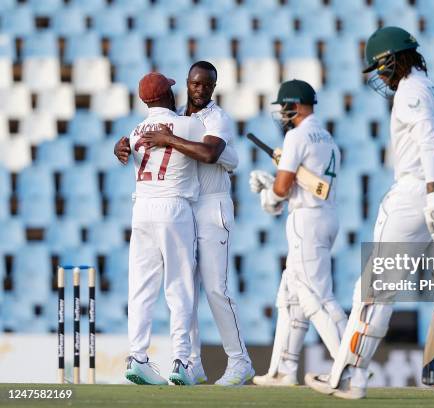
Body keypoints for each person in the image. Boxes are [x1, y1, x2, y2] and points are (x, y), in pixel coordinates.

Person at [305, 27, 434, 400]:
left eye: (381, 67)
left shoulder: (410, 91)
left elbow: (430, 139)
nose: (380, 77)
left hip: (418, 192)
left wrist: (432, 196)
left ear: (394, 59)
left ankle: (351, 378)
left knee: (373, 291)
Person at [138, 61, 254, 386]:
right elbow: (150, 146)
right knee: (184, 288)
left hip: (213, 208)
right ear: (187, 84)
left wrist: (170, 140)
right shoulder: (175, 118)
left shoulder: (217, 117)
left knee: (217, 288)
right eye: (195, 84)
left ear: (214, 87)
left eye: (207, 85)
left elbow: (208, 154)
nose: (200, 90)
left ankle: (240, 361)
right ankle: (191, 362)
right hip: (184, 208)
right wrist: (124, 146)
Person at [248, 80, 347, 386]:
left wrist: (268, 191)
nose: (283, 113)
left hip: (307, 221)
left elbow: (282, 187)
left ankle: (349, 364)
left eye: (286, 107)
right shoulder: (327, 137)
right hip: (326, 214)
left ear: (297, 105)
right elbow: (296, 183)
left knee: (316, 297)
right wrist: (276, 189)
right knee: (289, 298)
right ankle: (283, 369)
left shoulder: (297, 135)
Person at [123, 72, 204, 385]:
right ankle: (181, 360)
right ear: (166, 96)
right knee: (179, 287)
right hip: (174, 206)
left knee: (141, 288)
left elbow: (131, 147)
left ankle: (137, 356)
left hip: (141, 208)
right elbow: (212, 150)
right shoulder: (188, 125)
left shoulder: (133, 132)